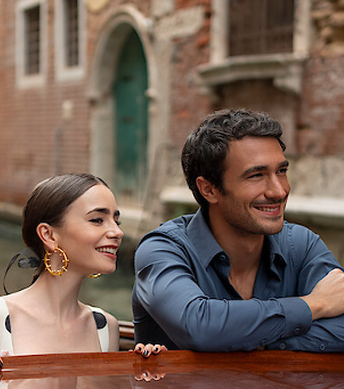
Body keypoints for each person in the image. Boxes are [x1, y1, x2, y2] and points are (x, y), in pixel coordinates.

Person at [133, 108, 344, 351]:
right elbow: (198, 326)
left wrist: (250, 340)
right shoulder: (162, 250)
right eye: (256, 175)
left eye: (281, 171)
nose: (278, 191)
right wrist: (314, 305)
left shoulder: (302, 244)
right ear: (209, 189)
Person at [0, 173, 165, 366]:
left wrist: (151, 368)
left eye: (116, 221)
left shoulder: (105, 326)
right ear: (49, 235)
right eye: (97, 220)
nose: (117, 232)